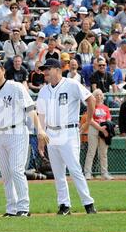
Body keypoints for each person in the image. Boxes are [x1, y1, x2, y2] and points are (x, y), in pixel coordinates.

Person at [0, 60, 48, 217]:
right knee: (5, 174)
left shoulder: (16, 87)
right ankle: (11, 208)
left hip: (17, 131)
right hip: (1, 134)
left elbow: (30, 109)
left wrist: (39, 128)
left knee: (16, 170)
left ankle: (24, 207)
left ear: (3, 70)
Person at [36, 58, 97, 215]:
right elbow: (41, 115)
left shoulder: (72, 84)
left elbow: (91, 99)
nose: (45, 72)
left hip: (69, 131)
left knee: (74, 169)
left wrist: (89, 120)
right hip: (50, 133)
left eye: (48, 69)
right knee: (58, 172)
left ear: (57, 69)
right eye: (44, 69)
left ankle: (88, 204)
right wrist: (41, 137)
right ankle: (64, 205)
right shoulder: (43, 90)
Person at [81, 89, 113, 180]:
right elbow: (90, 120)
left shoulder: (106, 108)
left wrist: (105, 129)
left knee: (103, 153)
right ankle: (87, 173)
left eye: (100, 95)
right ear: (94, 97)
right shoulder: (91, 106)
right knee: (91, 152)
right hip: (94, 129)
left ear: (102, 96)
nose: (99, 97)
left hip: (104, 130)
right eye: (96, 95)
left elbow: (108, 120)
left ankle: (104, 173)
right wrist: (100, 128)